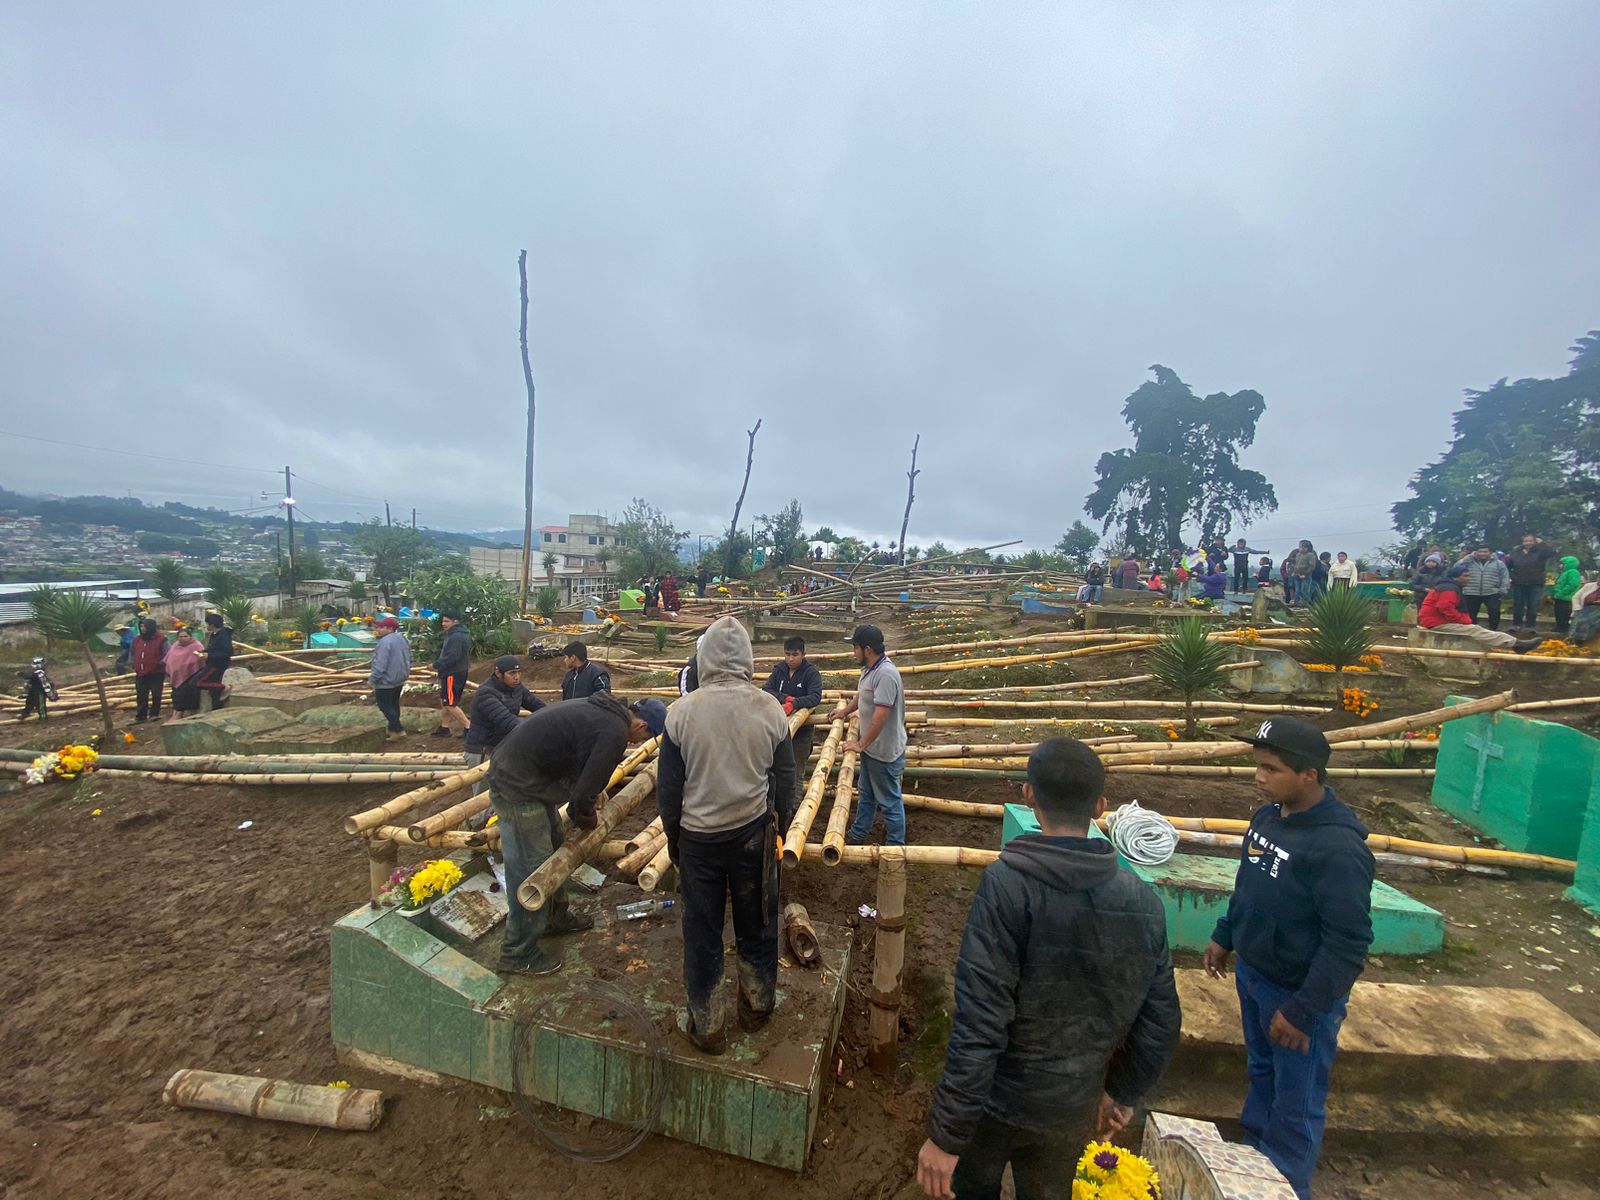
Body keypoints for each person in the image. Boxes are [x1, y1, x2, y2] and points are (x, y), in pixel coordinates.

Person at [917, 739, 1181, 1200]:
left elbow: (981, 1020)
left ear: (1029, 796)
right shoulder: (1142, 902)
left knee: (973, 1188)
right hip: (1072, 1107)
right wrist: (1120, 1095)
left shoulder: (1007, 887)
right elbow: (1160, 1022)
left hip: (994, 1105)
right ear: (1101, 806)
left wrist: (946, 1134)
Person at [1204, 717, 1376, 1200]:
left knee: (1297, 1102)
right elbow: (1248, 885)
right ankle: (1253, 1162)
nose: (1259, 777)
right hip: (1255, 976)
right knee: (1261, 1074)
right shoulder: (1268, 817)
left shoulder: (1338, 849)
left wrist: (1302, 1011)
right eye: (1258, 766)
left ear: (1310, 776)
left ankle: (1285, 1185)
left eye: (1271, 769)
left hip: (1299, 998)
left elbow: (1348, 943)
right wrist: (1226, 934)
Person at [658, 617, 797, 1054]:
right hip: (752, 837)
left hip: (700, 841)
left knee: (702, 935)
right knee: (757, 924)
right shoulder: (769, 708)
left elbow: (668, 791)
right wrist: (783, 823)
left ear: (705, 659)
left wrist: (675, 843)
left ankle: (708, 1025)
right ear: (748, 661)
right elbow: (786, 778)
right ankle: (757, 1010)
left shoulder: (681, 712)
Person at [488, 692, 666, 975]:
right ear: (642, 727)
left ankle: (555, 919)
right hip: (517, 785)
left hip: (532, 777)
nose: (639, 744)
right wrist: (590, 822)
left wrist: (593, 792)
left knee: (554, 848)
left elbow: (582, 763)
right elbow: (578, 805)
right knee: (531, 867)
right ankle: (516, 953)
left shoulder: (607, 715)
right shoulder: (614, 732)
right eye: (645, 737)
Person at [829, 624, 908, 847]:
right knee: (867, 793)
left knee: (889, 801)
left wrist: (861, 744)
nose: (852, 652)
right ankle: (859, 833)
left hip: (883, 750)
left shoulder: (885, 674)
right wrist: (845, 711)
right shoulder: (870, 669)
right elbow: (863, 696)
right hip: (873, 747)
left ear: (868, 649)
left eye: (855, 648)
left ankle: (895, 847)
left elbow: (881, 714)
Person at [465, 655, 544, 792]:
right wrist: (535, 732)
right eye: (512, 673)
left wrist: (556, 718)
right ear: (498, 673)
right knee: (482, 800)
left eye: (519, 673)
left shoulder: (517, 688)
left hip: (502, 747)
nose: (517, 677)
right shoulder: (486, 693)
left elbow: (537, 705)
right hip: (482, 752)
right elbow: (506, 720)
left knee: (503, 795)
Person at [763, 635, 824, 803]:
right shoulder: (779, 670)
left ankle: (794, 807)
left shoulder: (811, 673)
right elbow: (766, 690)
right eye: (787, 654)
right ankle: (776, 804)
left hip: (802, 731)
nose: (790, 658)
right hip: (779, 729)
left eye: (795, 654)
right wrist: (786, 698)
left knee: (796, 769)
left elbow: (815, 696)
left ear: (803, 654)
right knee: (775, 767)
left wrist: (795, 703)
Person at [1419, 568, 1537, 651]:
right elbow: (1445, 607)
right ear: (1455, 577)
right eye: (1465, 576)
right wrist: (1461, 620)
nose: (1468, 579)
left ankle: (1515, 643)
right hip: (1436, 623)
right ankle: (1516, 644)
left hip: (1436, 621)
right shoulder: (1449, 588)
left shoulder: (1449, 586)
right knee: (1475, 630)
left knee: (1476, 629)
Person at [368, 616, 412, 738]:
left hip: (386, 680)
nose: (378, 629)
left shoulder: (385, 642)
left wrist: (373, 679)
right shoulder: (403, 639)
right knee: (394, 704)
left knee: (384, 705)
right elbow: (409, 657)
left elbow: (381, 663)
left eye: (381, 627)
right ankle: (393, 731)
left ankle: (399, 729)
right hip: (400, 678)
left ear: (390, 628)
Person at [1507, 535, 1560, 634]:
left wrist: (1542, 543)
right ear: (1522, 542)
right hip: (1519, 583)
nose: (1528, 543)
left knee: (1533, 605)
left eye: (1531, 541)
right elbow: (1508, 565)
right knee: (1518, 604)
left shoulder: (1541, 551)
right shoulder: (1516, 552)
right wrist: (1512, 576)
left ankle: (1530, 626)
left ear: (1535, 542)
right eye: (1526, 541)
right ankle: (1516, 625)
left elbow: (1552, 552)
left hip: (1535, 583)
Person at [1450, 546, 1511, 630]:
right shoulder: (1468, 561)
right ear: (1476, 552)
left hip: (1492, 592)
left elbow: (1504, 577)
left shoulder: (1498, 563)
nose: (1483, 554)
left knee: (1494, 612)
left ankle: (1493, 630)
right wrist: (1469, 557)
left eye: (1485, 551)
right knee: (1471, 614)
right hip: (1470, 592)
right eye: (1480, 551)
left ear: (1490, 552)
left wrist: (1503, 590)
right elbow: (1455, 568)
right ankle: (1473, 631)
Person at [432, 611, 472, 738]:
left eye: (446, 621)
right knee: (445, 701)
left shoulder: (456, 637)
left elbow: (453, 656)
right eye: (443, 621)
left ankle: (469, 727)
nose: (443, 624)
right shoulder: (457, 634)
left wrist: (437, 664)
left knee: (449, 703)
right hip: (456, 671)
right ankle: (444, 727)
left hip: (452, 673)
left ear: (455, 621)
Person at [129, 618, 170, 723]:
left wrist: (159, 664)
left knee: (156, 694)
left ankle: (154, 714)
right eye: (141, 626)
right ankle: (141, 716)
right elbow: (132, 653)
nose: (143, 629)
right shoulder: (137, 640)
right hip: (141, 672)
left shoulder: (161, 639)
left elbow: (168, 654)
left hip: (156, 673)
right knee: (141, 695)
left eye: (145, 626)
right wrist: (133, 663)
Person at [163, 629, 207, 721]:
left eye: (185, 636)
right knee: (175, 694)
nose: (183, 638)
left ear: (190, 637)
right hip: (175, 675)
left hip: (191, 675)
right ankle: (175, 713)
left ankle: (180, 714)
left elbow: (198, 659)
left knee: (184, 694)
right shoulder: (175, 646)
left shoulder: (196, 645)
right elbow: (169, 658)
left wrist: (185, 666)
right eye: (180, 637)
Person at [195, 612, 234, 709]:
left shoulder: (223, 636)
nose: (206, 626)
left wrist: (209, 655)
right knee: (214, 691)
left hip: (217, 665)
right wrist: (204, 651)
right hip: (213, 663)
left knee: (198, 682)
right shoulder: (215, 634)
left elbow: (227, 652)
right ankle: (216, 708)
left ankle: (224, 687)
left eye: (207, 624)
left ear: (212, 625)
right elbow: (214, 649)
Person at [17, 657, 58, 721]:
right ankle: (25, 714)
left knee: (40, 705)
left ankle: (43, 717)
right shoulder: (35, 672)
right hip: (32, 691)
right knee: (29, 703)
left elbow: (30, 676)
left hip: (40, 692)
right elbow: (29, 677)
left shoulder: (40, 673)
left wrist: (21, 674)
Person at [1552, 556, 1582, 636]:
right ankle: (1559, 627)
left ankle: (1563, 630)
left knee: (1564, 615)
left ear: (1568, 564)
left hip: (1566, 598)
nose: (1560, 566)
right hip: (1559, 597)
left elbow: (1572, 585)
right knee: (1558, 614)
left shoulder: (1573, 572)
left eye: (1562, 564)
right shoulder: (1564, 573)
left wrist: (1561, 593)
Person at [1290, 542, 1316, 608]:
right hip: (1297, 574)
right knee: (1297, 591)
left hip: (1306, 575)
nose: (1301, 548)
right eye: (1300, 547)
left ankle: (1304, 605)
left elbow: (1312, 566)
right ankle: (1296, 604)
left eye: (1303, 547)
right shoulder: (1298, 554)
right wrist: (1294, 572)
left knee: (1304, 591)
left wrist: (1306, 574)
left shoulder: (1310, 555)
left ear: (1307, 548)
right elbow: (1296, 564)